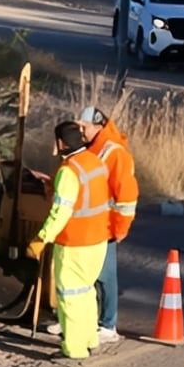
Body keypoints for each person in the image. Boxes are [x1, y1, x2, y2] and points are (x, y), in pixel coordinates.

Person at [52, 106, 138, 342]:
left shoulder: (114, 153)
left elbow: (127, 195)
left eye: (84, 127)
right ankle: (79, 321)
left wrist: (121, 227)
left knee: (105, 276)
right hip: (91, 224)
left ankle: (108, 324)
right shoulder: (92, 149)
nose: (81, 131)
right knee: (85, 278)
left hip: (106, 225)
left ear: (98, 126)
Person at [27, 122, 111, 360]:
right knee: (85, 291)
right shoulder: (95, 162)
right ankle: (89, 339)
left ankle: (74, 349)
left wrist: (42, 237)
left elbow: (60, 211)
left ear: (61, 143)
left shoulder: (68, 171)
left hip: (75, 243)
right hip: (98, 240)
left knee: (70, 295)